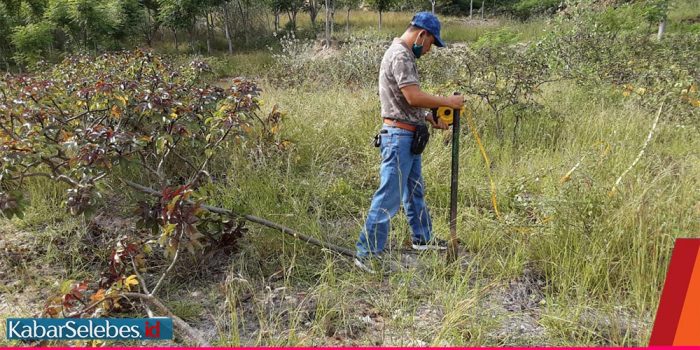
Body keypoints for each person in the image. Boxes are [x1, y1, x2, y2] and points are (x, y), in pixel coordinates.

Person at [354, 12, 465, 274]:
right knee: (388, 197)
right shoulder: (401, 54)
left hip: (409, 135)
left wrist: (429, 117)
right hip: (398, 138)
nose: (428, 50)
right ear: (421, 35)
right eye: (430, 44)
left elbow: (402, 102)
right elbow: (413, 96)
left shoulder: (403, 54)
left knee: (414, 191)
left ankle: (422, 239)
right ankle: (366, 253)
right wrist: (447, 102)